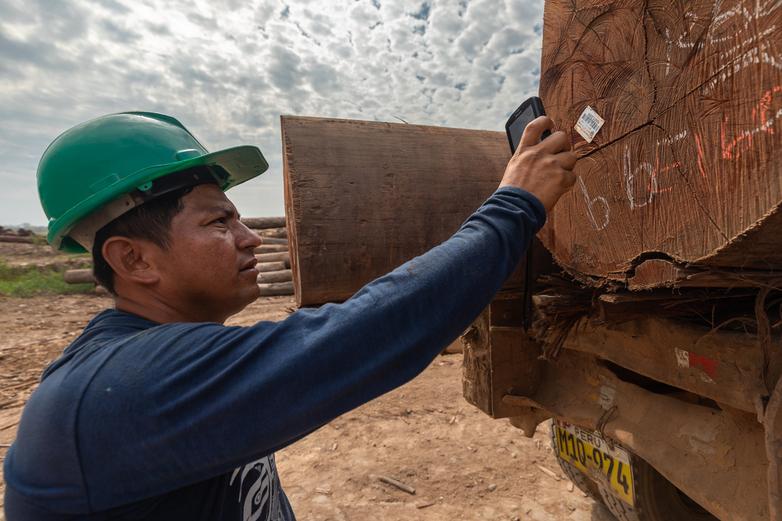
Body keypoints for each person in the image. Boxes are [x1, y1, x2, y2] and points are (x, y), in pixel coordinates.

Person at [3, 111, 576, 520]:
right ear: (133, 259)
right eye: (218, 223)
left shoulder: (164, 359)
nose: (251, 238)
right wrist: (515, 204)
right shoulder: (121, 390)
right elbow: (370, 331)